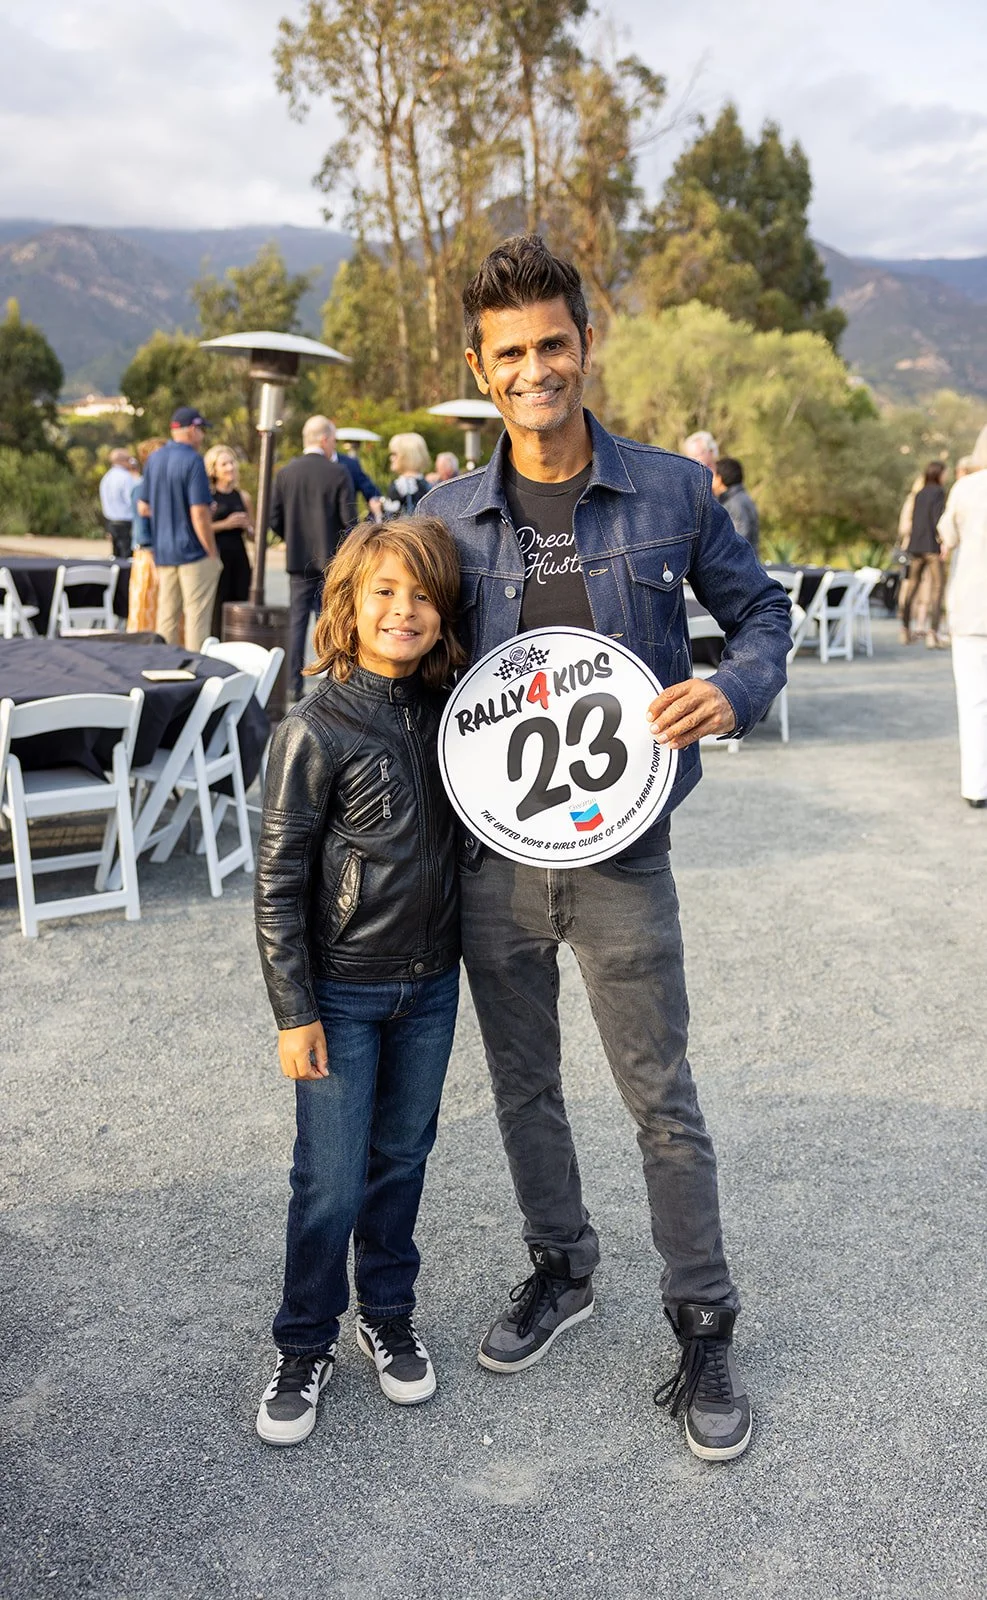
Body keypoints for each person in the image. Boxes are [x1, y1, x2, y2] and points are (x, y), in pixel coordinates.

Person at [420, 234, 791, 1463]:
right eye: (511, 351)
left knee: (660, 1100)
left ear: (587, 345)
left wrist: (734, 688)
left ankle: (702, 1319)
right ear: (480, 366)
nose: (537, 369)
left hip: (625, 850)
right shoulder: (441, 519)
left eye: (555, 344)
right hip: (492, 862)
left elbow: (763, 610)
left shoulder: (674, 495)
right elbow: (394, 663)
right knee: (523, 1086)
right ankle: (562, 1268)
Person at [252, 516, 466, 1446]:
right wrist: (293, 1010)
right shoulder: (313, 726)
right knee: (329, 1182)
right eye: (382, 591)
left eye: (420, 594)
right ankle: (302, 1344)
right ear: (347, 603)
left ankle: (387, 1314)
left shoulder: (456, 710)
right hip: (340, 993)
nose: (402, 610)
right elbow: (276, 880)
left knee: (402, 1162)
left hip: (431, 987)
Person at [269, 415, 357, 702]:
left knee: (297, 621)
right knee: (330, 621)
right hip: (331, 560)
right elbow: (350, 522)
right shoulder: (338, 473)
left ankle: (293, 685)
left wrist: (291, 537)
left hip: (297, 559)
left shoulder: (286, 473)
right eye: (332, 440)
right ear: (324, 439)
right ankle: (331, 685)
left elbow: (274, 518)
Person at [138, 406, 220, 652]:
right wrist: (211, 551)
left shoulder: (155, 459)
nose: (203, 436)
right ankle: (197, 675)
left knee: (167, 617)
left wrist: (168, 511)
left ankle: (164, 668)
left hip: (164, 551)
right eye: (201, 430)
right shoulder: (193, 460)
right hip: (193, 552)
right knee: (197, 617)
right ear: (193, 430)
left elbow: (143, 507)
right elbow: (199, 513)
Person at [938, 448, 987, 807]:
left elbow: (947, 537)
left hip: (973, 604)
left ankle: (976, 787)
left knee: (974, 699)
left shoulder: (966, 488)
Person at [204, 444, 253, 638]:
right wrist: (226, 524)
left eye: (231, 462)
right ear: (213, 469)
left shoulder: (243, 497)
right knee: (217, 606)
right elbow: (201, 528)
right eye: (224, 464)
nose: (230, 467)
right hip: (217, 556)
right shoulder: (209, 498)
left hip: (239, 557)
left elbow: (253, 533)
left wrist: (248, 527)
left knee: (241, 604)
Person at [900, 461, 947, 647]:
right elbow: (937, 519)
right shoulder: (938, 492)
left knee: (911, 587)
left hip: (916, 546)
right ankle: (932, 633)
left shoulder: (919, 494)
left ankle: (904, 629)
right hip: (931, 547)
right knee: (937, 588)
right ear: (939, 474)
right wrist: (942, 541)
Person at [127, 437, 167, 634]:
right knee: (147, 605)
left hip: (159, 552)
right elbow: (142, 529)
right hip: (150, 553)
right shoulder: (142, 488)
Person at [712, 456, 760, 556]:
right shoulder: (736, 500)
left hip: (740, 567)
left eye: (714, 475)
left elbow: (739, 540)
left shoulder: (736, 503)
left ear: (720, 479)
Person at [99, 448, 139, 561]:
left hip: (110, 521)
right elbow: (132, 500)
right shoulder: (126, 478)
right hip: (126, 523)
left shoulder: (106, 477)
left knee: (116, 556)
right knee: (127, 558)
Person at [383, 434, 432, 516]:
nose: (391, 458)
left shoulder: (400, 485)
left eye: (394, 454)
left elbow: (390, 519)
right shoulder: (426, 484)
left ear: (406, 456)